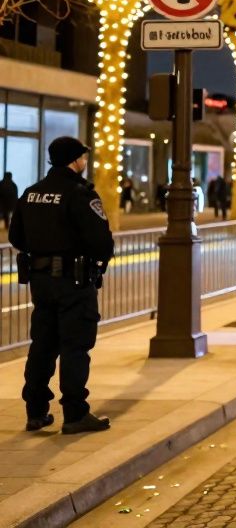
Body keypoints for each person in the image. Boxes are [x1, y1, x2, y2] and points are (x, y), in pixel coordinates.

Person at [11, 137, 115, 434]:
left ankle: (35, 411)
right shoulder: (79, 194)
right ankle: (74, 412)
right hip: (74, 281)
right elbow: (101, 242)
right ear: (75, 160)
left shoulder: (32, 193)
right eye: (83, 157)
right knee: (75, 345)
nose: (85, 162)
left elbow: (16, 237)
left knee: (42, 344)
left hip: (41, 281)